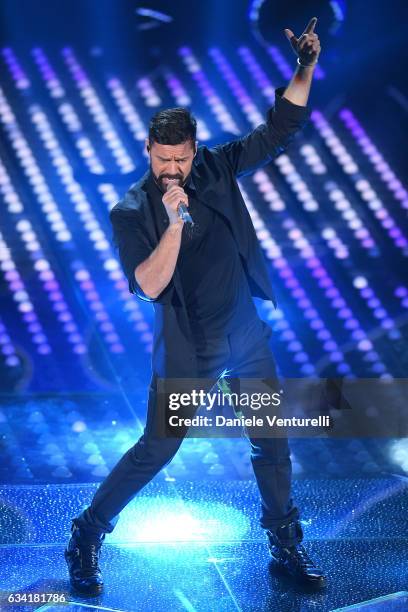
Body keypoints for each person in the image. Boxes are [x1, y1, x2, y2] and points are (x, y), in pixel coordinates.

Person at [65, 17, 325, 595]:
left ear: (194, 149)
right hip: (192, 348)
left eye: (180, 159)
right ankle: (86, 534)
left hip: (245, 336)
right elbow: (148, 285)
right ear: (148, 152)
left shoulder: (218, 165)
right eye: (163, 161)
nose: (173, 170)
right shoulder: (131, 210)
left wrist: (304, 67)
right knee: (158, 448)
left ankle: (286, 549)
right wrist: (176, 224)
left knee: (271, 443)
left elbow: (279, 126)